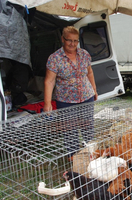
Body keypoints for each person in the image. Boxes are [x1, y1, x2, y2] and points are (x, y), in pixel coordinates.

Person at [43, 26, 98, 160]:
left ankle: (91, 155)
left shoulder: (84, 54)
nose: (72, 44)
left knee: (88, 126)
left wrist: (94, 90)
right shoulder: (55, 58)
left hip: (86, 96)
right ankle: (74, 159)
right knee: (70, 130)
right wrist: (47, 103)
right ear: (63, 39)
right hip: (66, 101)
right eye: (69, 40)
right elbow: (49, 81)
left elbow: (90, 73)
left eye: (75, 41)